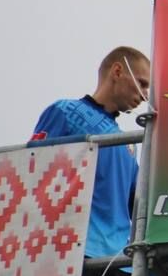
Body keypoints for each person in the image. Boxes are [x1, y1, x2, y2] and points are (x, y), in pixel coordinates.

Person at [32, 46, 148, 258]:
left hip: (119, 262)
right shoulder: (64, 111)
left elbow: (141, 206)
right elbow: (31, 171)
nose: (145, 95)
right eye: (142, 83)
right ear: (118, 71)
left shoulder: (130, 145)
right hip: (69, 254)